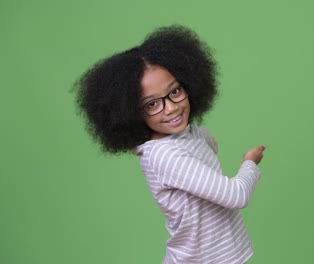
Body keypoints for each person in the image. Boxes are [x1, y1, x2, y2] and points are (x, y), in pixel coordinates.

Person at [74, 25, 266, 264]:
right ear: (130, 113)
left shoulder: (183, 135)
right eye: (152, 104)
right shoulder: (166, 156)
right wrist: (250, 163)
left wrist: (207, 141)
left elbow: (203, 140)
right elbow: (236, 196)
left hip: (222, 256)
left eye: (174, 91)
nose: (171, 107)